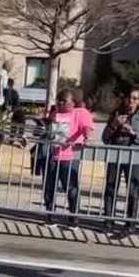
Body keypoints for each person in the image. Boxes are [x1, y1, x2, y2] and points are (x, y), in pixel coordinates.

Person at [42, 88, 94, 229]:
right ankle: (50, 215)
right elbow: (49, 131)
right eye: (59, 100)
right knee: (49, 187)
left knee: (71, 188)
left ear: (73, 102)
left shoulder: (80, 113)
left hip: (69, 157)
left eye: (64, 100)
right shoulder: (55, 113)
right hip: (52, 155)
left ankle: (73, 217)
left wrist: (87, 138)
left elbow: (86, 127)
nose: (60, 102)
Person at [102, 86, 139, 234]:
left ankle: (130, 223)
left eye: (135, 98)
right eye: (129, 98)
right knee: (111, 187)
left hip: (134, 157)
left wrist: (133, 133)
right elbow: (105, 138)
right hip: (115, 154)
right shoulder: (116, 113)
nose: (131, 101)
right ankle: (108, 221)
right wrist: (114, 125)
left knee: (133, 190)